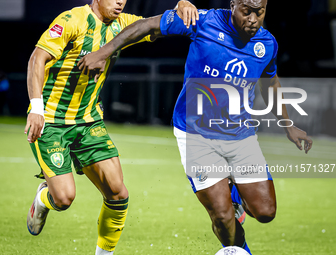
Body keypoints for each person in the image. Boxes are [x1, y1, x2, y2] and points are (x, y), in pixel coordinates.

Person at [77, 0, 314, 254]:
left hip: (240, 136)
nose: (254, 19)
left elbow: (270, 82)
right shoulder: (203, 21)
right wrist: (103, 52)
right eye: (247, 11)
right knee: (222, 216)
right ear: (233, 5)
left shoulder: (266, 44)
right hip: (195, 135)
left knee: (266, 212)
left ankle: (234, 194)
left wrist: (288, 125)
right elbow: (146, 26)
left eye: (260, 12)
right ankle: (240, 250)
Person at [24, 1, 198, 254]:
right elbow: (36, 59)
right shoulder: (71, 20)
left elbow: (159, 25)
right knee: (63, 199)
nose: (120, 2)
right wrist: (37, 109)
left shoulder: (123, 24)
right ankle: (43, 200)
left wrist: (181, 5)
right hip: (51, 121)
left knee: (118, 195)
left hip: (89, 121)